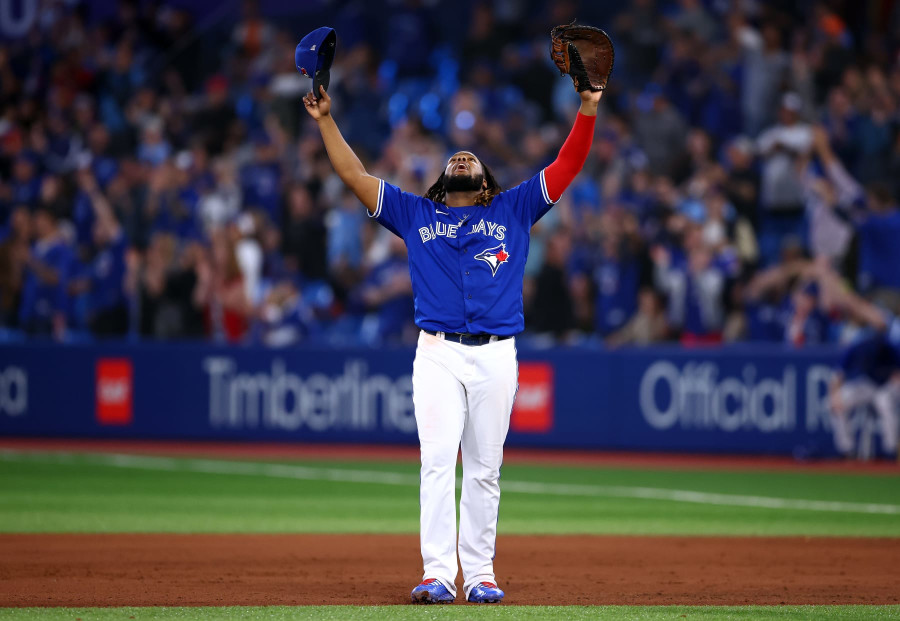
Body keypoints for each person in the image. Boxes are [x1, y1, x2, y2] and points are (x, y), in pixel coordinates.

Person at [303, 74, 602, 603]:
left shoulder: (513, 208)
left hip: (496, 355)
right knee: (438, 461)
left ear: (486, 179)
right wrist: (326, 119)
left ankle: (481, 575)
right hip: (438, 352)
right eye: (454, 158)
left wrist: (587, 107)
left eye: (471, 158)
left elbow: (568, 165)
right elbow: (354, 174)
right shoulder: (416, 212)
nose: (462, 158)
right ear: (442, 179)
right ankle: (439, 574)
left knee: (485, 469)